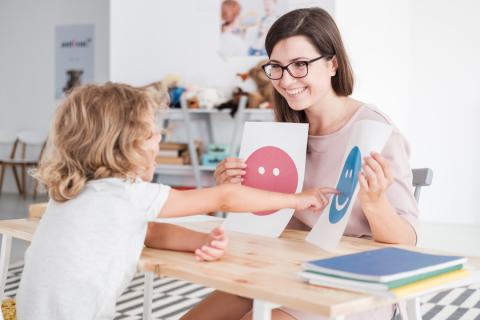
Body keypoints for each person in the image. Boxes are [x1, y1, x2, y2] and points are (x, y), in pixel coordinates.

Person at [15, 82, 337, 320]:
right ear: (124, 146)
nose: (160, 139)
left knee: (237, 297)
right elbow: (225, 196)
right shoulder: (125, 195)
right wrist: (297, 199)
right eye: (152, 133)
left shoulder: (76, 194)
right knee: (240, 297)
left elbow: (150, 233)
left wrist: (201, 240)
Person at [182, 7, 419, 320]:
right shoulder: (283, 131)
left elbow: (409, 242)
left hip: (355, 283)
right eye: (276, 67)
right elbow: (267, 220)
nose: (286, 79)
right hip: (286, 268)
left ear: (333, 63)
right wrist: (233, 190)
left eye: (300, 65)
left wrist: (374, 203)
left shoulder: (375, 132)